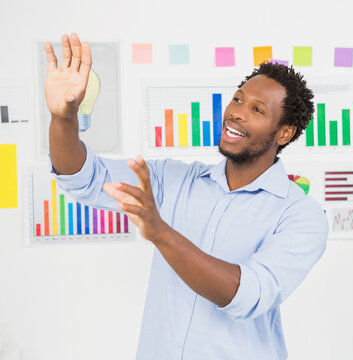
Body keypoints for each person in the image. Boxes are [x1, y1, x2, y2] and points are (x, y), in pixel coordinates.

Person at [45, 33, 328, 360]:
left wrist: (161, 233)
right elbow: (83, 177)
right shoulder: (172, 179)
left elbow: (248, 294)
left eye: (257, 109)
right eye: (238, 99)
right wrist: (63, 118)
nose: (236, 112)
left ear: (284, 133)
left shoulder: (301, 216)